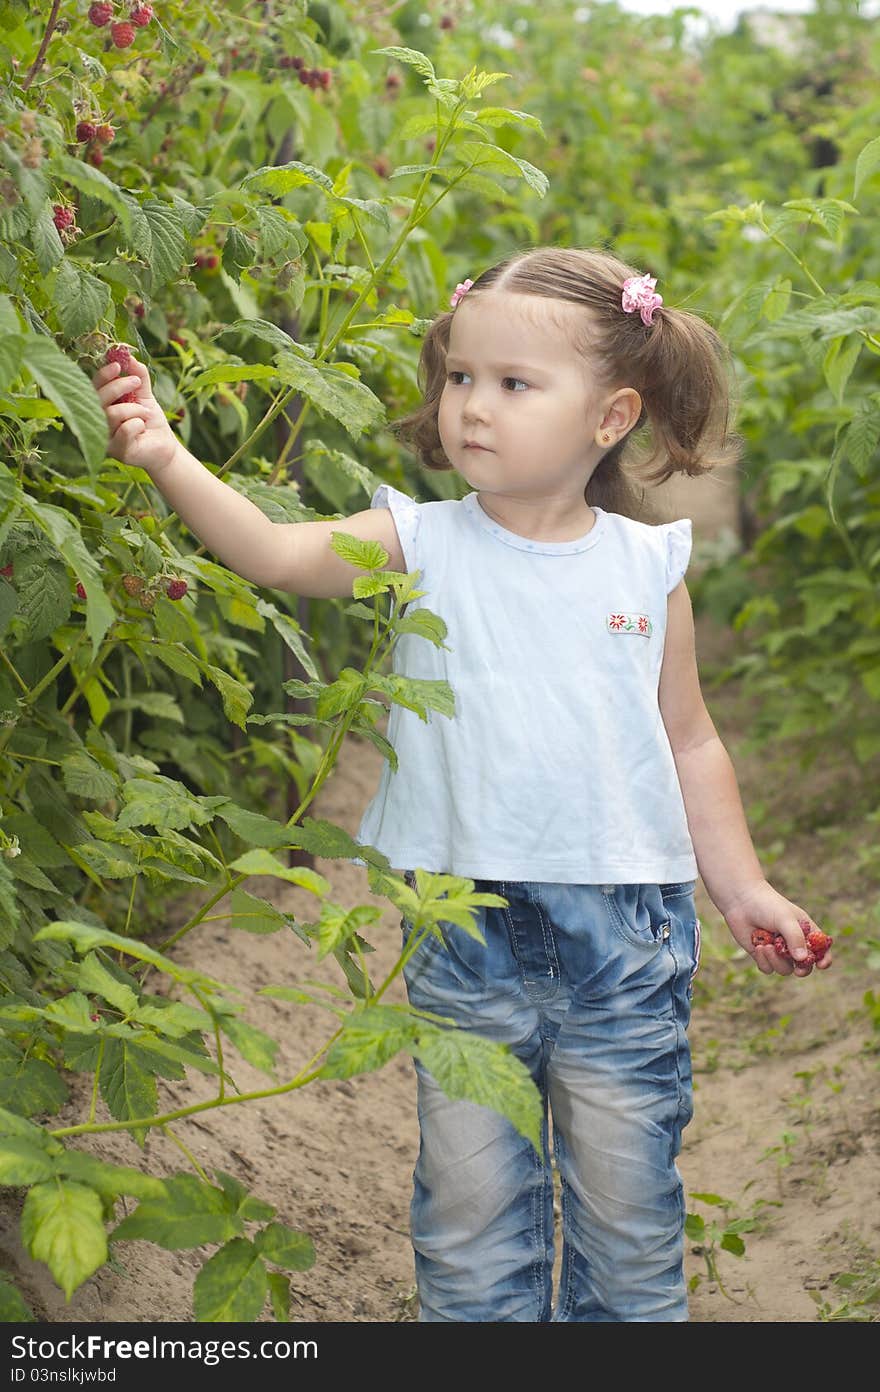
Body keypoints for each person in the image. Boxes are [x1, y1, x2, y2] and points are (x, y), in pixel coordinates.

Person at [92, 246, 831, 1323]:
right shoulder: (419, 541)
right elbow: (276, 554)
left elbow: (689, 741)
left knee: (629, 1234)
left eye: (514, 384)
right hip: (460, 932)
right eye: (459, 377)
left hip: (624, 940)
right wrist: (165, 455)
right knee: (471, 1229)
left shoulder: (644, 566)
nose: (472, 407)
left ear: (611, 416)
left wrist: (744, 889)